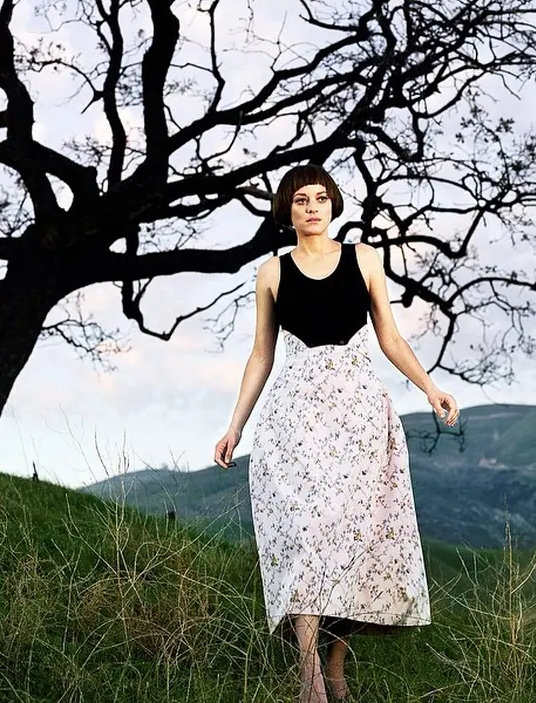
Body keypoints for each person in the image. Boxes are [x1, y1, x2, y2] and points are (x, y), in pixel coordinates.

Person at [213, 164, 460, 703]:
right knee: (305, 536)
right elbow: (261, 354)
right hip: (294, 417)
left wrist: (429, 388)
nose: (312, 207)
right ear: (287, 210)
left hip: (359, 417)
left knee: (353, 540)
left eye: (320, 198)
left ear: (333, 204)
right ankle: (308, 681)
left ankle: (336, 665)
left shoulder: (364, 258)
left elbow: (390, 337)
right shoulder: (271, 273)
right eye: (301, 200)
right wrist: (235, 426)